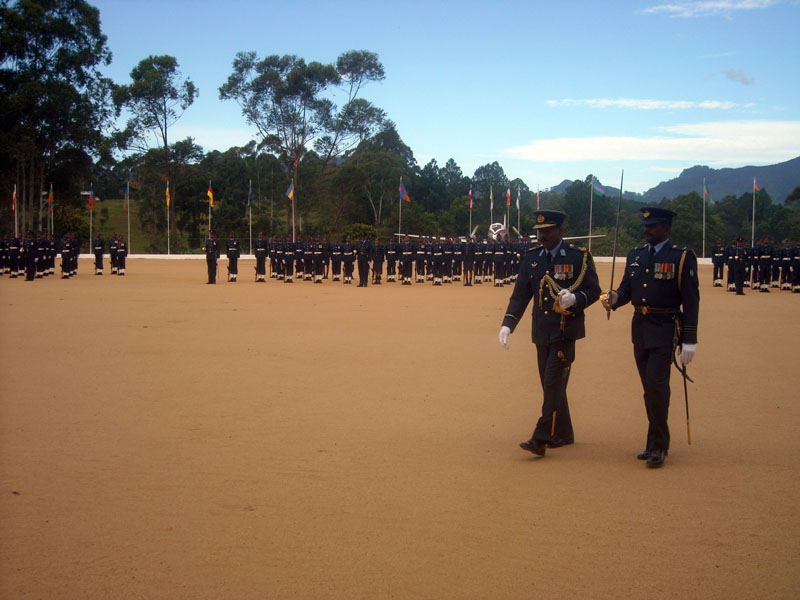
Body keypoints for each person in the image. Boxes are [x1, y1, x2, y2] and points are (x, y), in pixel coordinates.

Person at [602, 207, 699, 469]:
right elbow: (627, 289)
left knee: (657, 386)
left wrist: (690, 339)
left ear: (666, 228)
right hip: (641, 328)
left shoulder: (680, 257)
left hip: (665, 327)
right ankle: (653, 439)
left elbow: (691, 300)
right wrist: (615, 298)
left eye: (653, 226)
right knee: (649, 389)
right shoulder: (636, 255)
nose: (647, 230)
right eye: (646, 225)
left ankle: (659, 444)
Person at [498, 210, 601, 457]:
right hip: (542, 330)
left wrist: (576, 298)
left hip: (566, 329)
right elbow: (521, 294)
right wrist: (508, 324)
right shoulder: (532, 257)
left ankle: (541, 436)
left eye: (547, 231)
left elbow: (594, 290)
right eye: (539, 231)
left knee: (553, 382)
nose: (541, 236)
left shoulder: (578, 257)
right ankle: (563, 432)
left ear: (560, 231)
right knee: (550, 383)